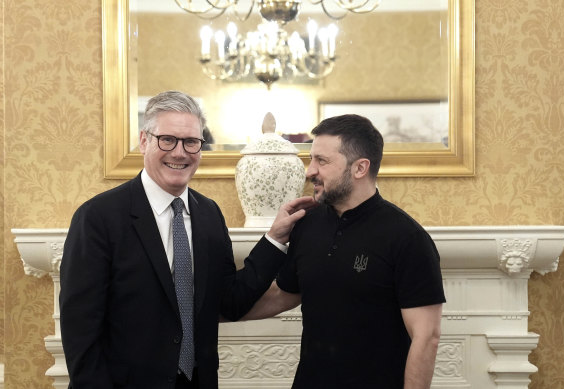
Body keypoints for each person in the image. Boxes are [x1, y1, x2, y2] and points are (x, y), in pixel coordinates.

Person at [59, 90, 316, 389]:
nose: (180, 152)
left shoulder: (208, 214)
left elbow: (230, 301)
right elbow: (80, 329)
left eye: (191, 142)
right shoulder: (98, 218)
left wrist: (275, 238)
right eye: (167, 139)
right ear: (144, 141)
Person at [243, 114, 446, 389]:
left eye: (322, 161)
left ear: (360, 168)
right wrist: (210, 314)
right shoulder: (307, 224)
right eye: (311, 159)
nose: (309, 171)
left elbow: (426, 337)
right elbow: (283, 294)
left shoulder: (407, 238)